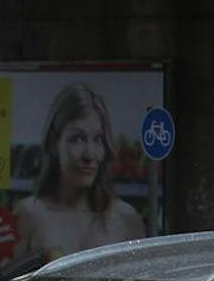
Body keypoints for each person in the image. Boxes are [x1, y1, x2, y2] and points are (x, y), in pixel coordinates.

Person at [13, 83, 146, 262]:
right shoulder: (28, 215)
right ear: (54, 143)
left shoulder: (126, 219)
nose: (89, 155)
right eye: (77, 138)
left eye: (97, 139)